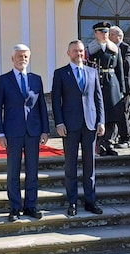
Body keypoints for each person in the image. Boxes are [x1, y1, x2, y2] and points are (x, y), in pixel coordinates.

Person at [0, 44, 50, 222]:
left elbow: (41, 106)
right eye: (19, 56)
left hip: (33, 131)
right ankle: (15, 208)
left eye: (25, 56)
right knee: (13, 171)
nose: (22, 59)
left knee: (32, 171)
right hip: (12, 132)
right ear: (12, 58)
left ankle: (31, 206)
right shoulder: (3, 80)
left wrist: (45, 130)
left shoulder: (36, 79)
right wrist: (0, 133)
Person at [52, 40, 105, 216]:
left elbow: (98, 98)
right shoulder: (60, 73)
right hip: (70, 125)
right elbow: (55, 101)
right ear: (68, 53)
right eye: (75, 51)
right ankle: (72, 202)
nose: (79, 54)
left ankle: (90, 201)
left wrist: (101, 121)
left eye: (81, 51)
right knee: (71, 166)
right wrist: (59, 123)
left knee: (90, 166)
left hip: (90, 124)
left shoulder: (92, 72)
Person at [86, 21, 126, 156]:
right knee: (98, 114)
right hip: (97, 83)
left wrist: (122, 90)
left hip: (112, 84)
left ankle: (109, 142)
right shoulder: (90, 50)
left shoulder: (114, 49)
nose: (104, 34)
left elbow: (119, 70)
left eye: (106, 32)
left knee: (112, 115)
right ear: (96, 34)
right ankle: (99, 144)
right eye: (101, 32)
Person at [109, 25, 130, 148]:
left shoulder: (125, 48)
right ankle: (112, 136)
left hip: (123, 85)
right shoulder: (109, 49)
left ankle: (126, 137)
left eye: (112, 34)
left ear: (119, 36)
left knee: (122, 111)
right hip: (113, 85)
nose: (109, 37)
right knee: (113, 110)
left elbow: (126, 65)